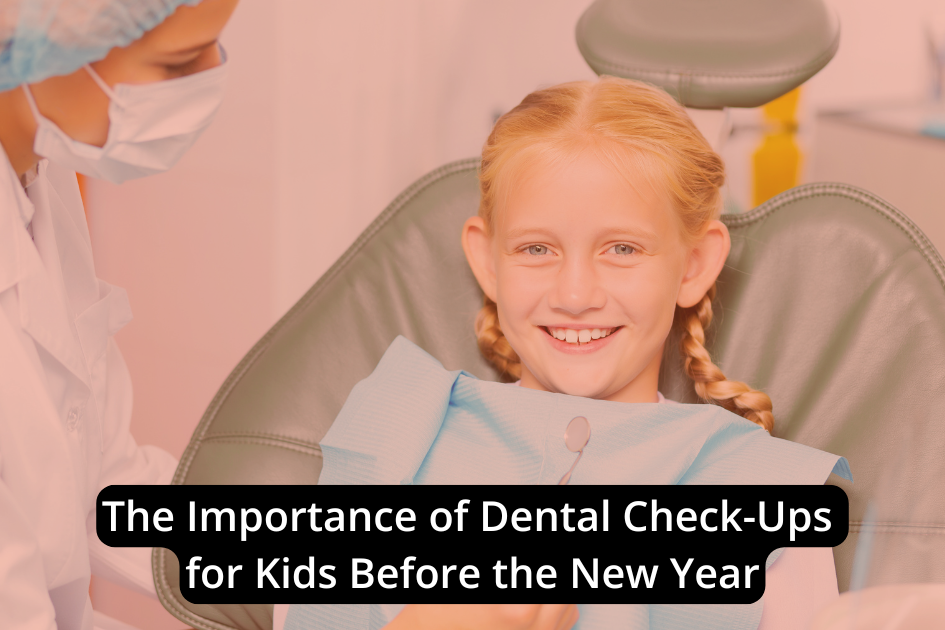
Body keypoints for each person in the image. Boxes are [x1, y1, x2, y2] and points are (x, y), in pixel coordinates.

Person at [279, 77, 850, 630]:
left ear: (695, 264)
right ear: (487, 260)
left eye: (622, 248)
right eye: (536, 248)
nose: (575, 295)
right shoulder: (389, 439)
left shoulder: (765, 501)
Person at [0, 1, 238, 628]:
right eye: (179, 61)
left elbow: (99, 492)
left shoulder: (35, 178)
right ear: (38, 49)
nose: (212, 74)